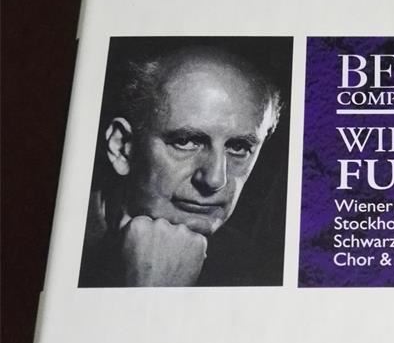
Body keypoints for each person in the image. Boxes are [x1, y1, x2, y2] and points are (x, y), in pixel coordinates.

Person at [79, 44, 282, 287]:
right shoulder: (62, 241)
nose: (215, 179)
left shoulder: (254, 268)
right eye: (185, 142)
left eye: (238, 147)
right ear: (122, 148)